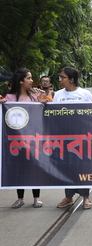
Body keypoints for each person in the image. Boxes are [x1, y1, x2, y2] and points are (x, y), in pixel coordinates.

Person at [0, 68, 49, 208]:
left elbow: (42, 115)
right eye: (29, 78)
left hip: (33, 138)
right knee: (19, 167)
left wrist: (41, 102)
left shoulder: (34, 97)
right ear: (21, 81)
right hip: (15, 141)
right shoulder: (8, 98)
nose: (32, 81)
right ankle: (20, 198)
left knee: (34, 166)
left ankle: (36, 197)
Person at [54, 67, 92, 210]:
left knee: (83, 166)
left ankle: (86, 198)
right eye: (60, 77)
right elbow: (53, 115)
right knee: (67, 167)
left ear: (71, 79)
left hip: (83, 137)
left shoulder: (85, 94)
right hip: (64, 137)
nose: (60, 80)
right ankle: (69, 196)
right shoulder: (57, 95)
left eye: (63, 77)